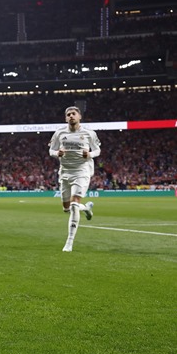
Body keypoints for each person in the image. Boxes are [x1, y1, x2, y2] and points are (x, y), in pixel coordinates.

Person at [49, 106, 101, 252]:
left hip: (81, 171)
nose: (71, 116)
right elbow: (51, 150)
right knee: (67, 208)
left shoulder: (89, 133)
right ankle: (86, 208)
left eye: (74, 114)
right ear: (66, 118)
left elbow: (97, 149)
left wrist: (90, 154)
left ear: (79, 117)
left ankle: (69, 243)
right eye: (68, 114)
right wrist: (56, 153)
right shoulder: (59, 133)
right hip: (65, 172)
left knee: (73, 205)